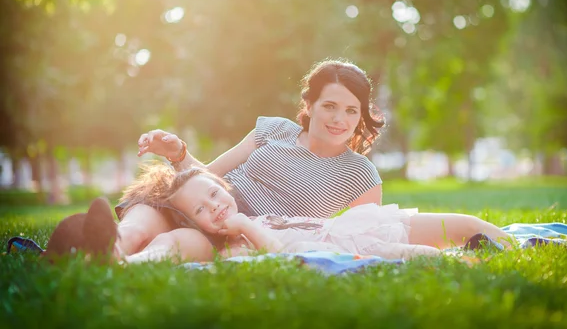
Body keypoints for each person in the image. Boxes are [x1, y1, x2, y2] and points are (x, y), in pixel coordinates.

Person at [117, 59, 387, 256]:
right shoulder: (275, 128)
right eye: (330, 106)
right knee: (132, 232)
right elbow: (209, 178)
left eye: (352, 110)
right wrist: (178, 154)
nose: (340, 119)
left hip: (242, 235)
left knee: (168, 245)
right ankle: (96, 257)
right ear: (309, 105)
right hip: (198, 204)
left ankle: (123, 264)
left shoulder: (360, 174)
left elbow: (367, 235)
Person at [118, 164, 515, 264]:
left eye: (212, 195)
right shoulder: (232, 243)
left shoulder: (250, 213)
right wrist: (239, 226)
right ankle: (469, 258)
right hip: (355, 244)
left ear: (224, 185)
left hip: (355, 227)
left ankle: (519, 246)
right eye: (201, 211)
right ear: (197, 225)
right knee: (426, 254)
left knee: (469, 225)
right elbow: (280, 256)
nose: (215, 209)